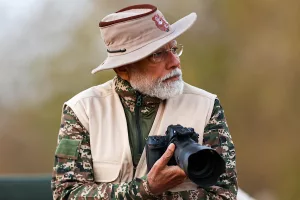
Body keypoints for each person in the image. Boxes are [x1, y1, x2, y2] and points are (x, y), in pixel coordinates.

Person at [51, 4, 237, 200]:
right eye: (157, 54)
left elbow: (224, 194)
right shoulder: (83, 110)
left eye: (174, 49)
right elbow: (66, 194)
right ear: (122, 69)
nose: (175, 62)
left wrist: (153, 192)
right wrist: (145, 189)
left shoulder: (206, 106)